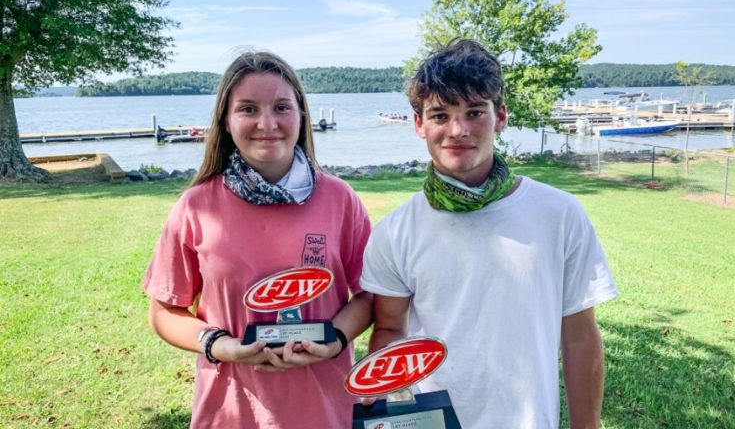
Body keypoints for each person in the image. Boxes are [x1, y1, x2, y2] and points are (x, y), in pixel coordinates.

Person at [360, 38, 618, 428]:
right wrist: (383, 398)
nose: (458, 129)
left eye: (474, 112)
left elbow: (579, 336)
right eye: (440, 115)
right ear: (419, 124)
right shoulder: (396, 231)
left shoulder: (560, 214)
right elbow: (391, 329)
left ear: (500, 117)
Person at [142, 50, 372, 428]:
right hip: (229, 411)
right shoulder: (195, 206)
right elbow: (165, 313)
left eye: (281, 107)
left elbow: (368, 294)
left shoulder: (340, 199)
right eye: (248, 109)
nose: (267, 123)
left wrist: (336, 339)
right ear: (227, 122)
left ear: (301, 116)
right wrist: (221, 345)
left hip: (324, 410)